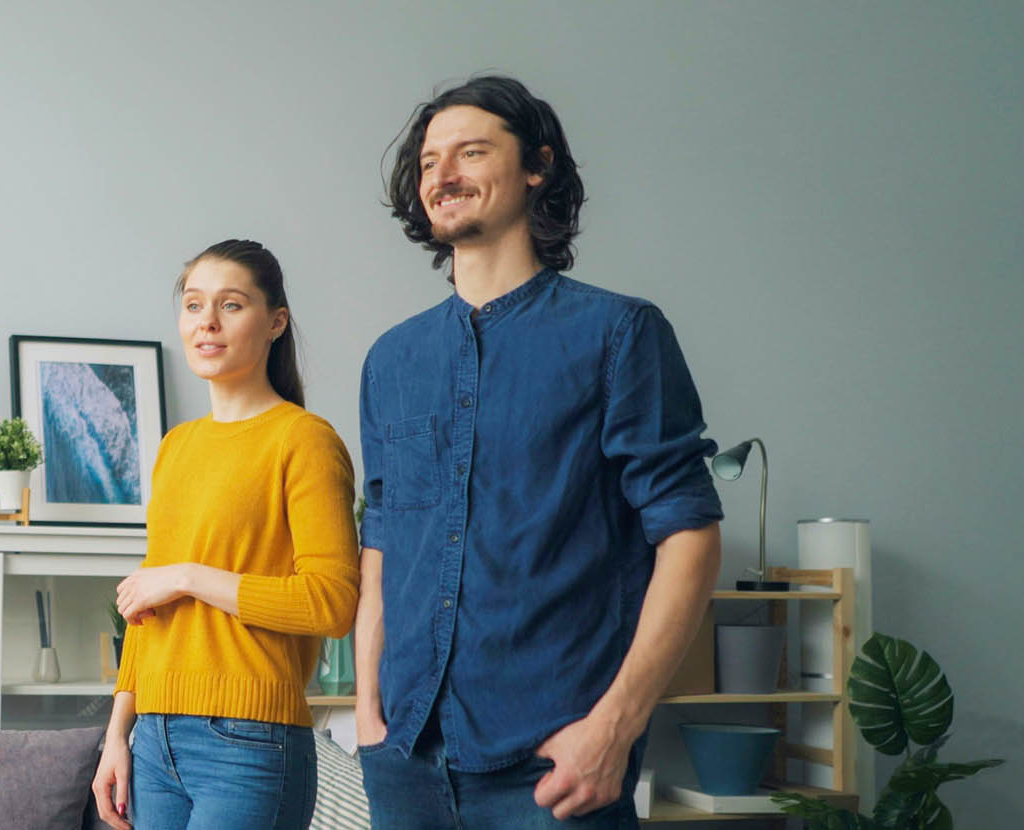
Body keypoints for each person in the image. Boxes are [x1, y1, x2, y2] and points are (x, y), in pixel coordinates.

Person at [354, 75, 725, 829]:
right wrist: (368, 712)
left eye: (471, 152)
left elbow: (690, 536)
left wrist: (616, 727)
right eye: (428, 161)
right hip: (406, 763)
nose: (442, 174)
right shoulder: (391, 360)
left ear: (537, 167)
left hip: (556, 766)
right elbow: (384, 543)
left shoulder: (619, 334)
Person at [92, 239, 359, 829]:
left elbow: (332, 603)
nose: (206, 322)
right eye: (193, 305)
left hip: (249, 743)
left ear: (275, 322)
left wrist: (188, 577)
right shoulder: (176, 447)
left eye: (231, 305)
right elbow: (145, 608)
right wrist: (117, 735)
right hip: (153, 740)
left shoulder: (304, 441)